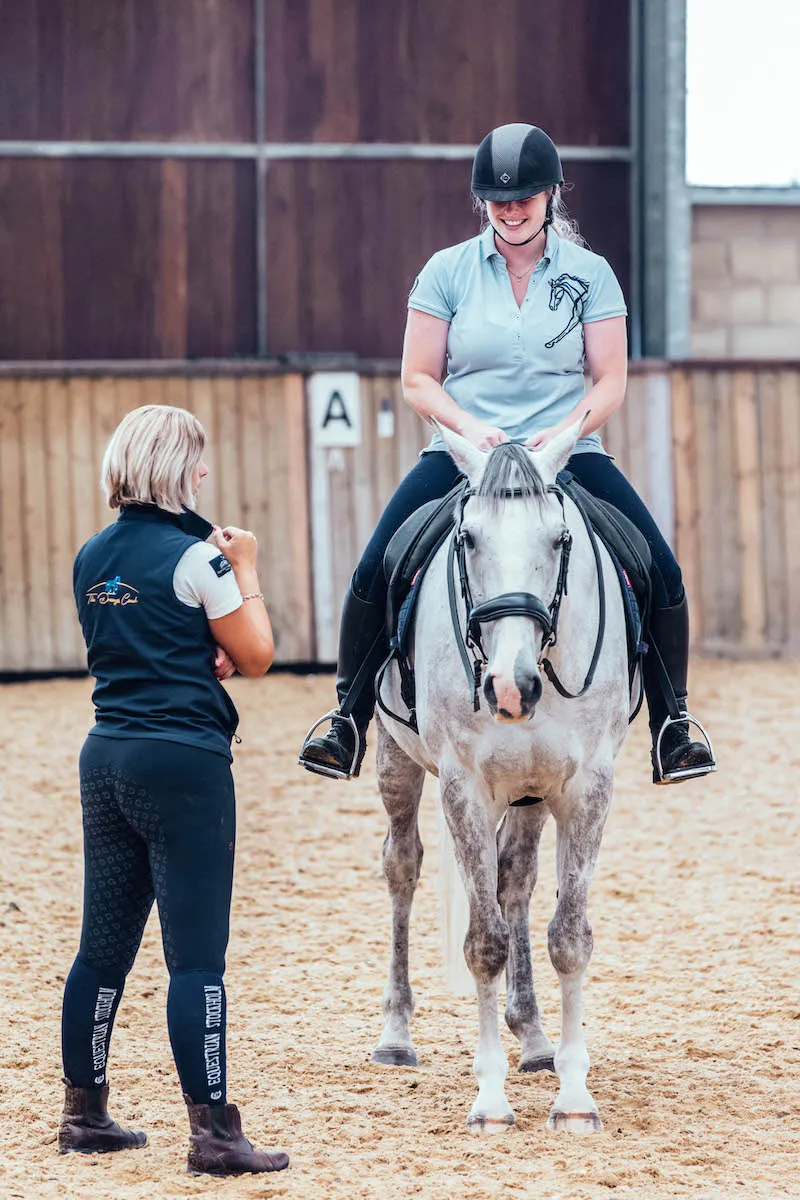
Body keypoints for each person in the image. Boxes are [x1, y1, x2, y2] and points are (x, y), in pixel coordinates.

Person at [299, 122, 715, 786]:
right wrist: (472, 431)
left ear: (551, 194)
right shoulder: (447, 272)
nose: (511, 211)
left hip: (568, 453)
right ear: (482, 202)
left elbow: (610, 378)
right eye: (498, 201)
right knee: (377, 563)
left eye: (523, 198)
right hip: (464, 454)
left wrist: (564, 433)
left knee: (659, 569)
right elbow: (417, 378)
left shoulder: (591, 275)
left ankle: (673, 725)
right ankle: (346, 718)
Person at [59, 404, 289, 1177]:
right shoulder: (202, 556)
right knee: (197, 963)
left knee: (101, 951)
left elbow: (137, 640)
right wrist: (247, 569)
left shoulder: (91, 555)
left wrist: (199, 652)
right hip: (183, 765)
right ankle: (216, 1135)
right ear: (176, 467)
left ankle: (84, 1113)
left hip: (107, 755)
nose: (203, 475)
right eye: (197, 462)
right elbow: (255, 654)